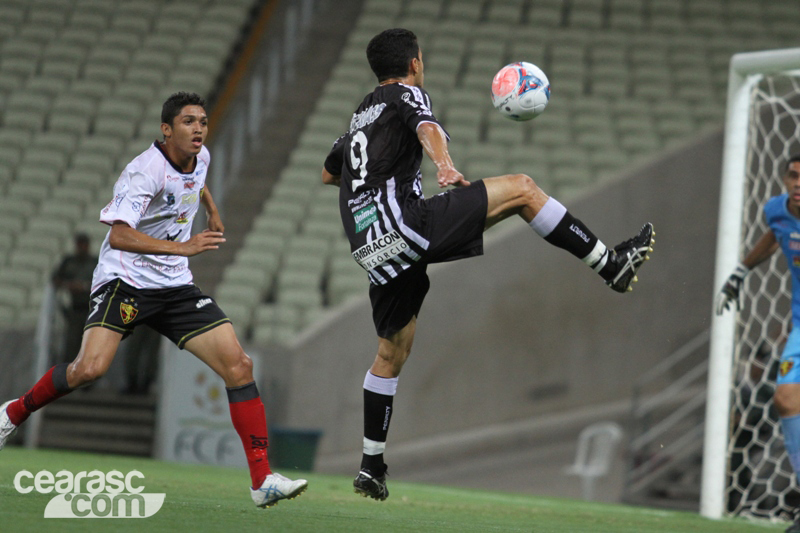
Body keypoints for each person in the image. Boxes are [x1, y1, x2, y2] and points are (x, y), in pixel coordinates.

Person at [321, 28, 655, 501]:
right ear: (414, 63)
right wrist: (442, 164)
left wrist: (372, 187)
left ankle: (371, 466)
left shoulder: (361, 115)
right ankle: (610, 264)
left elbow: (328, 172)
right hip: (408, 225)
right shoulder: (407, 94)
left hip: (371, 246)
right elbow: (427, 128)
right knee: (522, 188)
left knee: (391, 353)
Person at [0, 92, 307, 508]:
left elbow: (195, 182)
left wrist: (212, 209)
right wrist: (186, 247)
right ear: (166, 130)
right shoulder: (144, 171)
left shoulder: (202, 156)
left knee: (239, 365)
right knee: (89, 369)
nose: (198, 128)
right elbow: (120, 235)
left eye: (202, 121)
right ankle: (14, 413)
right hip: (124, 281)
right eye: (188, 122)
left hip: (175, 287)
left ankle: (261, 479)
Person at [717, 154, 800, 532]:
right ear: (784, 179)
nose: (799, 184)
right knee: (784, 399)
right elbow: (774, 237)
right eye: (794, 175)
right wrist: (740, 271)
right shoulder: (777, 211)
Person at [52, 233, 97, 363]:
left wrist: (86, 287)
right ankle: (68, 375)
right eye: (79, 244)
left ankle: (88, 380)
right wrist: (70, 285)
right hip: (75, 309)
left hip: (91, 310)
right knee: (72, 345)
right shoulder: (69, 262)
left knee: (89, 345)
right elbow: (56, 279)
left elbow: (105, 282)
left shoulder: (95, 262)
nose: (82, 248)